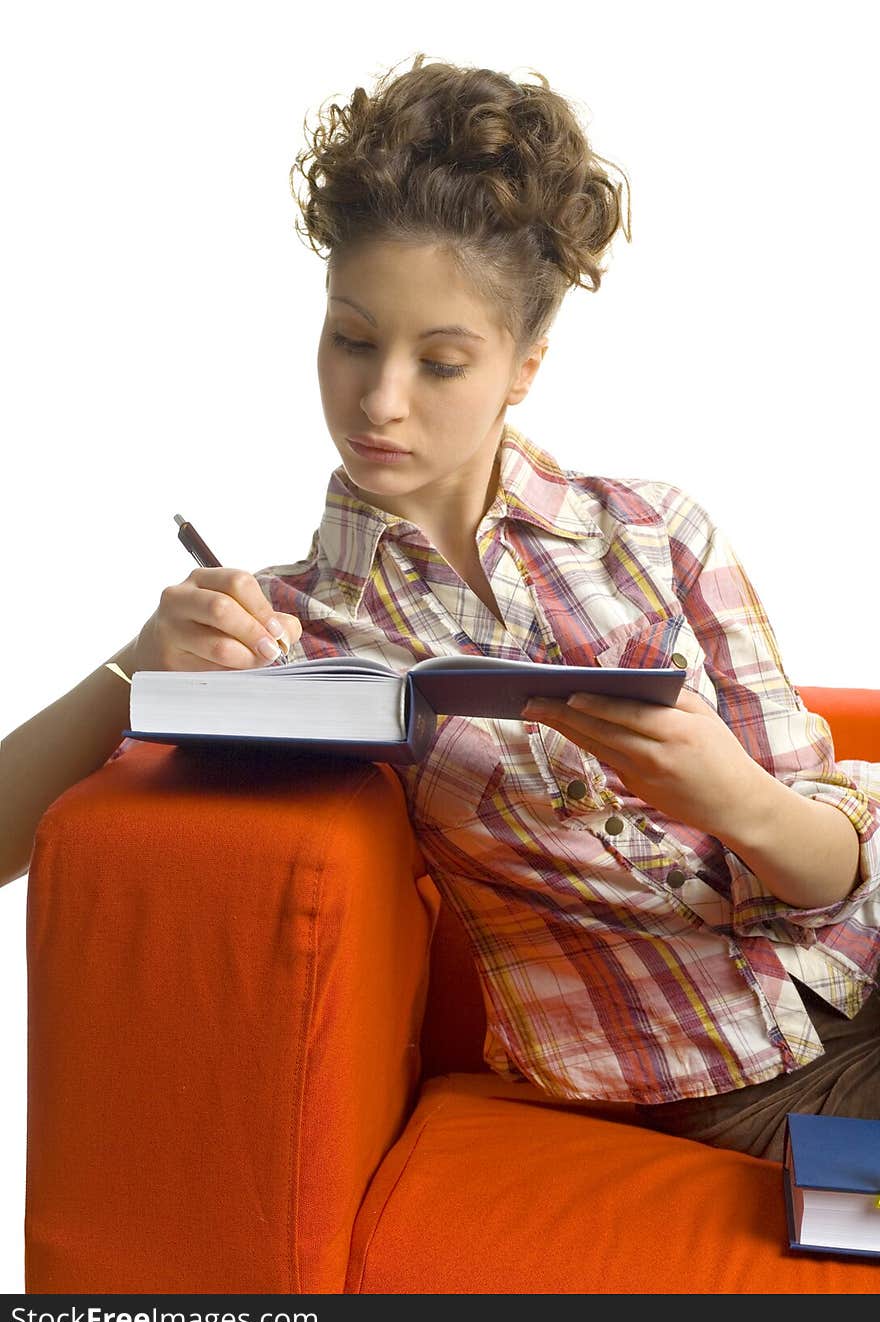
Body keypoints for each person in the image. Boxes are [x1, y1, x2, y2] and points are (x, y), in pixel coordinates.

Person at [3, 54, 878, 1162]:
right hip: (717, 1079)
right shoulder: (299, 634)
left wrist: (733, 796)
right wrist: (141, 664)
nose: (378, 401)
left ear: (523, 366)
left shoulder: (661, 532)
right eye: (353, 340)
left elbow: (829, 870)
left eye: (442, 361)